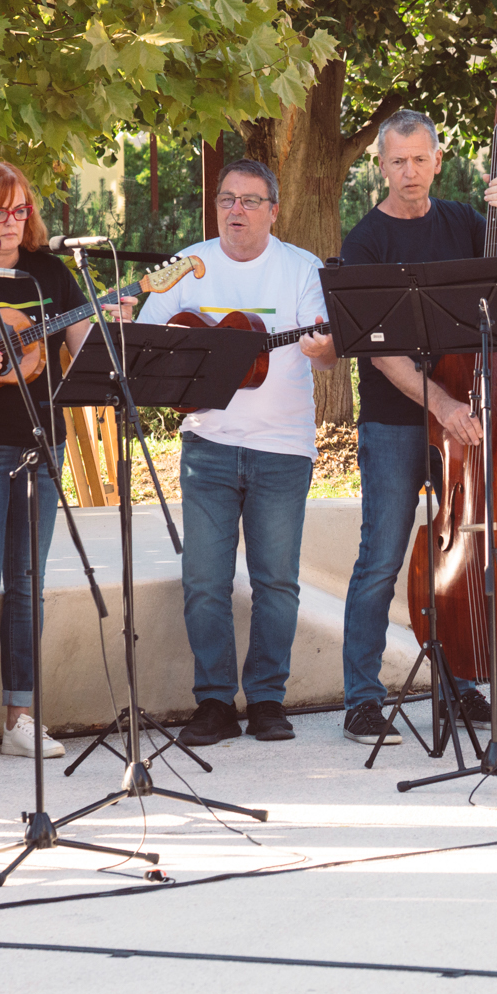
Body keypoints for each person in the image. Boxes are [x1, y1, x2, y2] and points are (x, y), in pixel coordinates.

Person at [330, 110, 497, 747]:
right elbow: (376, 346)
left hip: (470, 418)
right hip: (400, 421)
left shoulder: (464, 222)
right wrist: (442, 407)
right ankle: (361, 701)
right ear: (381, 165)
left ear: (438, 160)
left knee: (465, 551)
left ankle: (463, 683)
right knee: (381, 560)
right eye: (397, 161)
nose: (410, 171)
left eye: (420, 159)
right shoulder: (366, 240)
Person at [0, 162, 121, 770]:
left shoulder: (49, 275)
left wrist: (110, 323)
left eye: (19, 212)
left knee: (28, 587)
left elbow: (84, 350)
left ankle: (21, 718)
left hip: (42, 441)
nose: (10, 223)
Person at [136, 159, 334, 746]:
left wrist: (323, 348)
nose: (236, 211)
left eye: (250, 201)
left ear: (274, 210)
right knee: (204, 581)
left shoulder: (302, 269)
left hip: (282, 448)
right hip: (208, 444)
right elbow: (149, 343)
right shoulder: (188, 267)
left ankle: (268, 699)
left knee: (276, 581)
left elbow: (324, 354)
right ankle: (215, 703)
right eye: (227, 200)